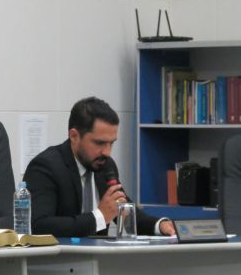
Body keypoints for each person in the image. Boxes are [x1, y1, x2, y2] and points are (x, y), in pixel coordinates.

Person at [24, 96, 175, 238]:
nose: (107, 152)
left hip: (99, 254)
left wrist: (159, 225)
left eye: (111, 143)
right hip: (60, 256)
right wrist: (100, 217)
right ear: (74, 136)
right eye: (100, 143)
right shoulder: (46, 166)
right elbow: (39, 226)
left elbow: (123, 210)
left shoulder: (105, 165)